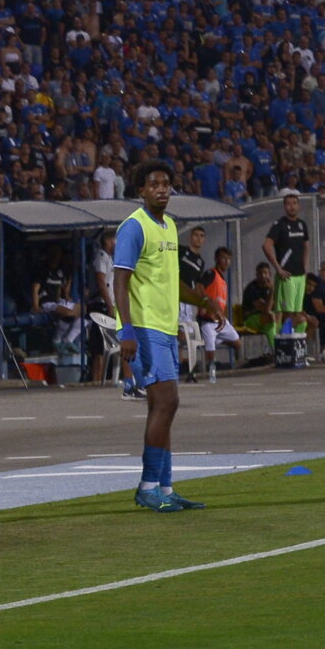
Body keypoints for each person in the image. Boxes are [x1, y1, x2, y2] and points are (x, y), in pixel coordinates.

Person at [112, 162, 203, 511]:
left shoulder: (169, 226)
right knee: (166, 402)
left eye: (166, 184)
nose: (162, 189)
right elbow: (120, 280)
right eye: (154, 184)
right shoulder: (134, 227)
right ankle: (148, 487)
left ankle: (165, 488)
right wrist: (126, 330)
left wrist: (206, 302)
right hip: (144, 328)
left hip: (165, 327)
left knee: (163, 406)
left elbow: (171, 281)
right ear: (141, 190)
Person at [262, 191, 314, 364]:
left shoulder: (302, 225)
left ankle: (293, 351)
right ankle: (282, 350)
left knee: (298, 313)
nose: (292, 207)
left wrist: (305, 267)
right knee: (287, 313)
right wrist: (278, 268)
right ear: (284, 206)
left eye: (294, 203)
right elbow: (266, 245)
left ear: (298, 205)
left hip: (300, 276)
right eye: (288, 204)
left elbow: (306, 245)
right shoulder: (280, 225)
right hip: (287, 276)